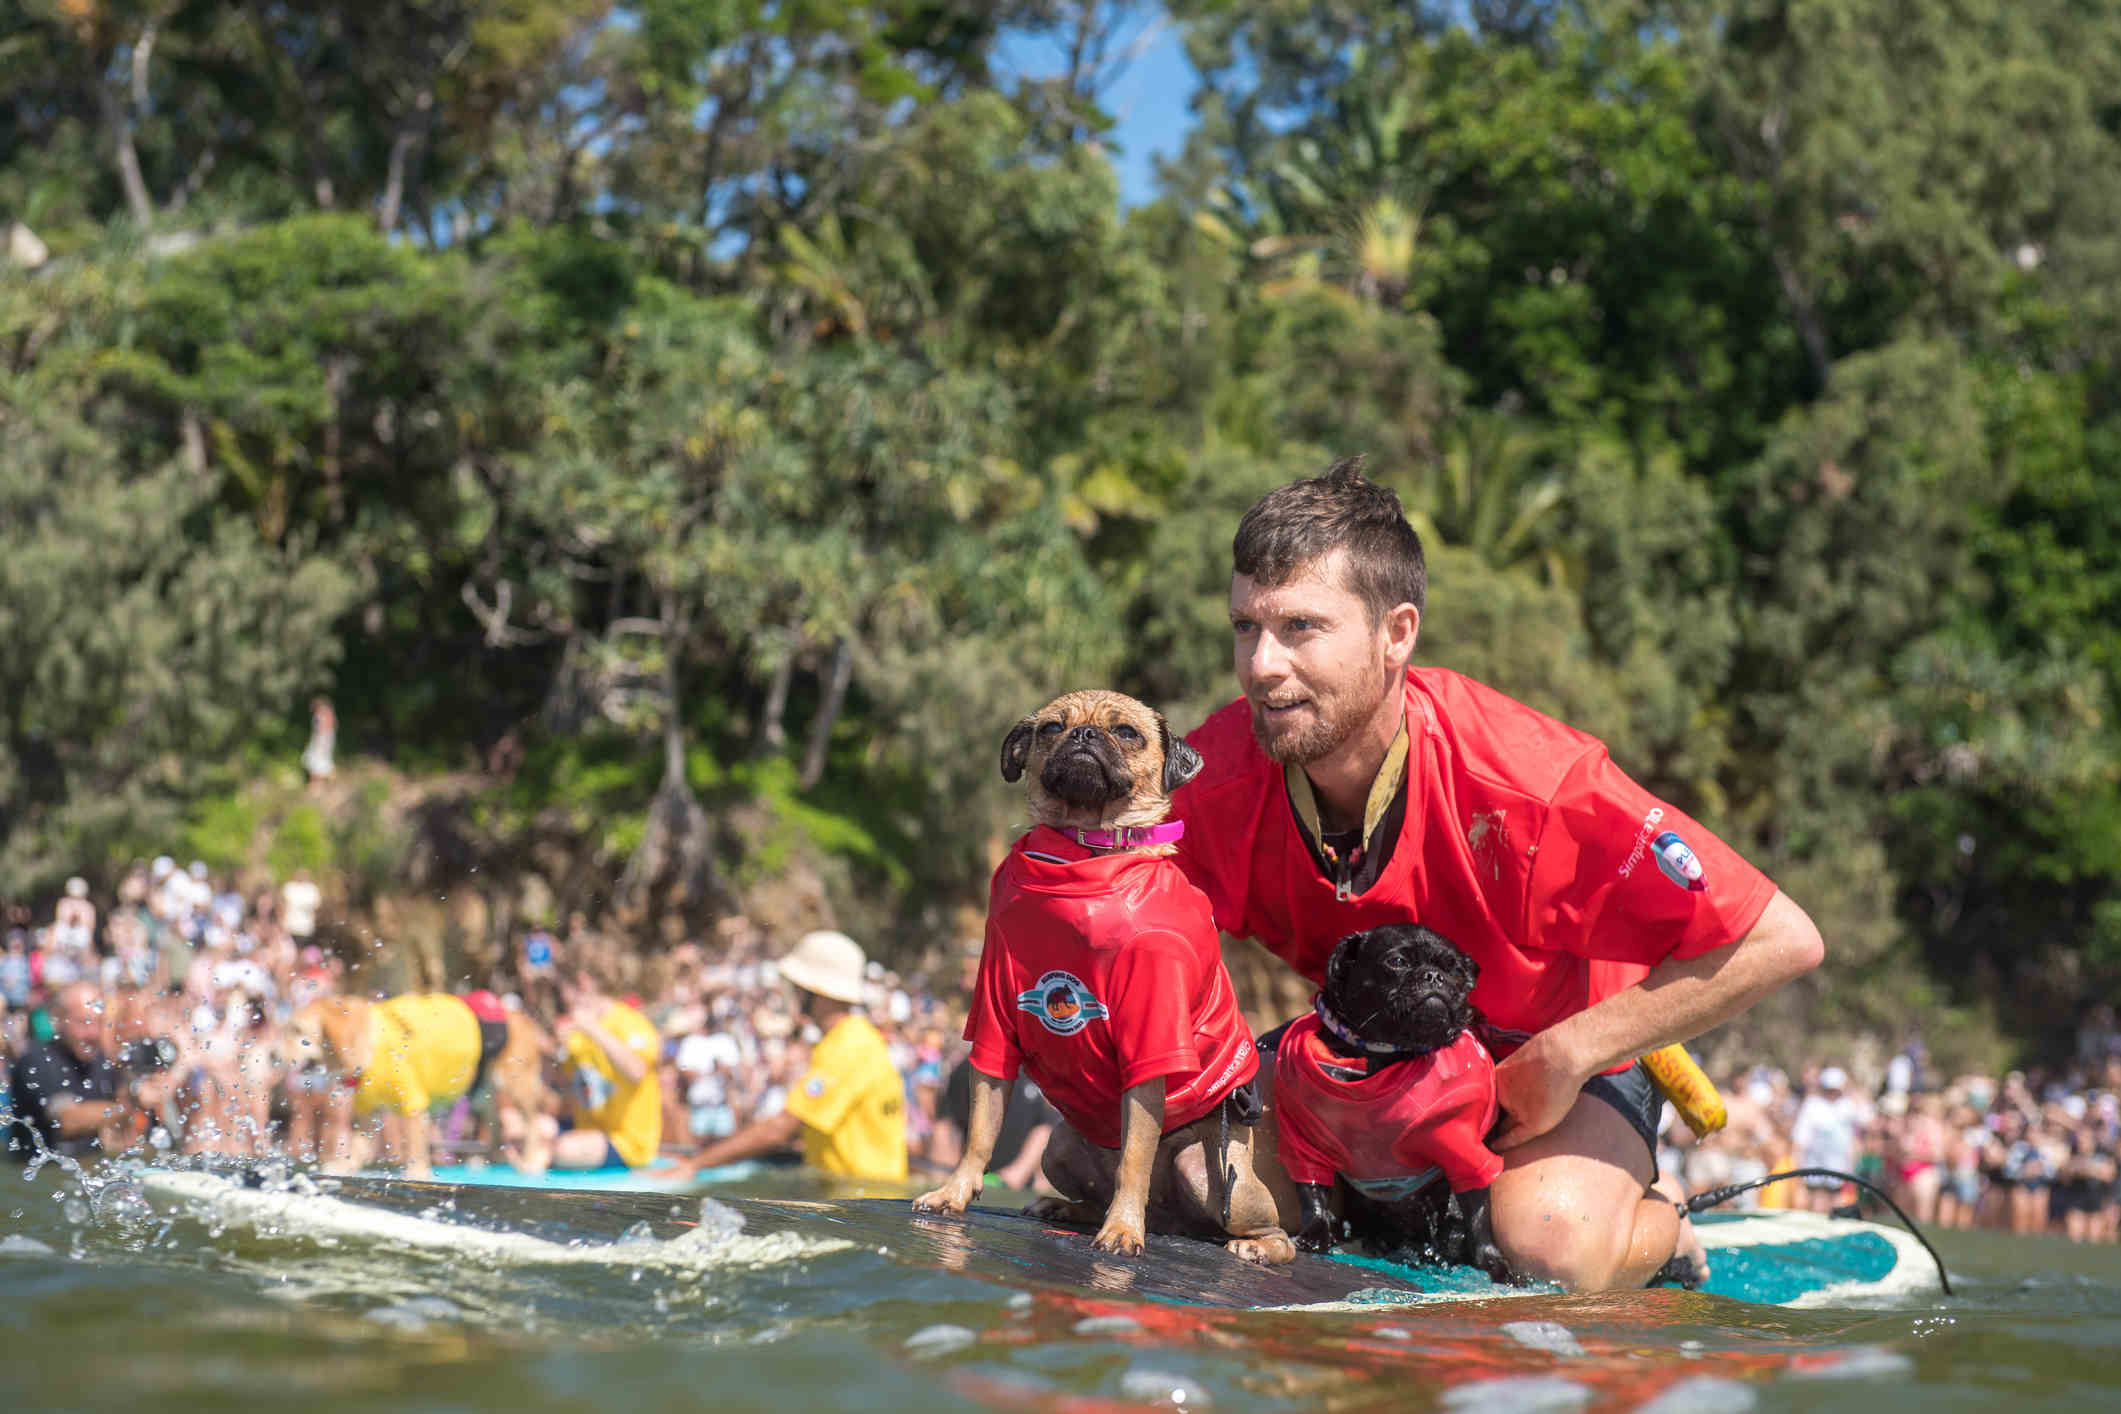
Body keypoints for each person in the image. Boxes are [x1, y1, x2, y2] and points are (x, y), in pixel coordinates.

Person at [1167, 458, 1824, 1291]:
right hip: (1363, 1066)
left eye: (1299, 627)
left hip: (1548, 1070)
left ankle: (1663, 1224)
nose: (1260, 665)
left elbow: (1783, 939)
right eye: (1243, 627)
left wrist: (1569, 1052)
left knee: (1544, 1250)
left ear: (1395, 632)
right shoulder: (1214, 775)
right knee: (1185, 1182)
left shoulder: (1533, 783)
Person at [676, 931, 907, 1182]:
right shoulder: (857, 1038)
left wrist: (695, 1165)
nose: (791, 994)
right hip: (861, 1196)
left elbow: (780, 1129)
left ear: (814, 990)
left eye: (796, 987)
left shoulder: (848, 1046)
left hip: (860, 1204)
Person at [521, 965, 663, 1171]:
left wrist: (592, 1028)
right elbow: (562, 1088)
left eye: (563, 990)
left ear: (582, 982)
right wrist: (547, 1051)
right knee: (527, 1130)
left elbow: (636, 1071)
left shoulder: (631, 1022)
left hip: (629, 1143)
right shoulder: (576, 1033)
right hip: (587, 1132)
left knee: (564, 1150)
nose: (563, 999)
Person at [5, 982, 142, 1161]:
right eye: (83, 1022)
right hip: (38, 1173)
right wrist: (127, 1108)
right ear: (58, 1019)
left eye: (98, 1022)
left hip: (84, 1167)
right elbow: (67, 1120)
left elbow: (124, 1128)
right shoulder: (37, 1060)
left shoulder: (100, 1061)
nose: (92, 1033)